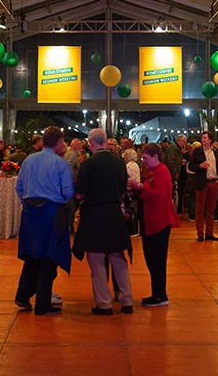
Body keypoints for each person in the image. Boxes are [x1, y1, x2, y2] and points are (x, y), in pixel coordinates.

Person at [73, 128, 134, 316]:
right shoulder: (119, 163)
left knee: (97, 261)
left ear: (91, 143)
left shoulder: (88, 164)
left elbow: (79, 193)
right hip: (114, 215)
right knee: (118, 259)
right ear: (106, 142)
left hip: (93, 216)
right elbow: (124, 191)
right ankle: (127, 300)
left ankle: (104, 304)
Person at [14, 126, 74, 315]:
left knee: (32, 256)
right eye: (63, 142)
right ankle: (42, 305)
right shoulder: (60, 163)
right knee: (48, 257)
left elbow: (19, 187)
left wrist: (28, 201)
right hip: (51, 214)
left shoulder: (29, 160)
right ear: (57, 143)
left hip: (31, 213)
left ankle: (23, 296)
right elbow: (67, 192)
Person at [132, 142, 179, 306]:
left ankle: (160, 294)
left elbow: (158, 195)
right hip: (150, 222)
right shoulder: (153, 172)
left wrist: (139, 187)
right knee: (151, 258)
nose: (143, 161)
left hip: (159, 222)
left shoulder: (162, 172)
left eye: (145, 158)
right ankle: (157, 293)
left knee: (157, 259)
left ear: (155, 157)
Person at [188, 132, 218, 241]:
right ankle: (200, 233)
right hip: (202, 182)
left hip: (213, 182)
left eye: (205, 138)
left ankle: (209, 232)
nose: (203, 140)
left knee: (211, 209)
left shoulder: (216, 152)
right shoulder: (197, 152)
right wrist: (200, 166)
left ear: (210, 140)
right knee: (200, 209)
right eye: (202, 138)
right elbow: (191, 166)